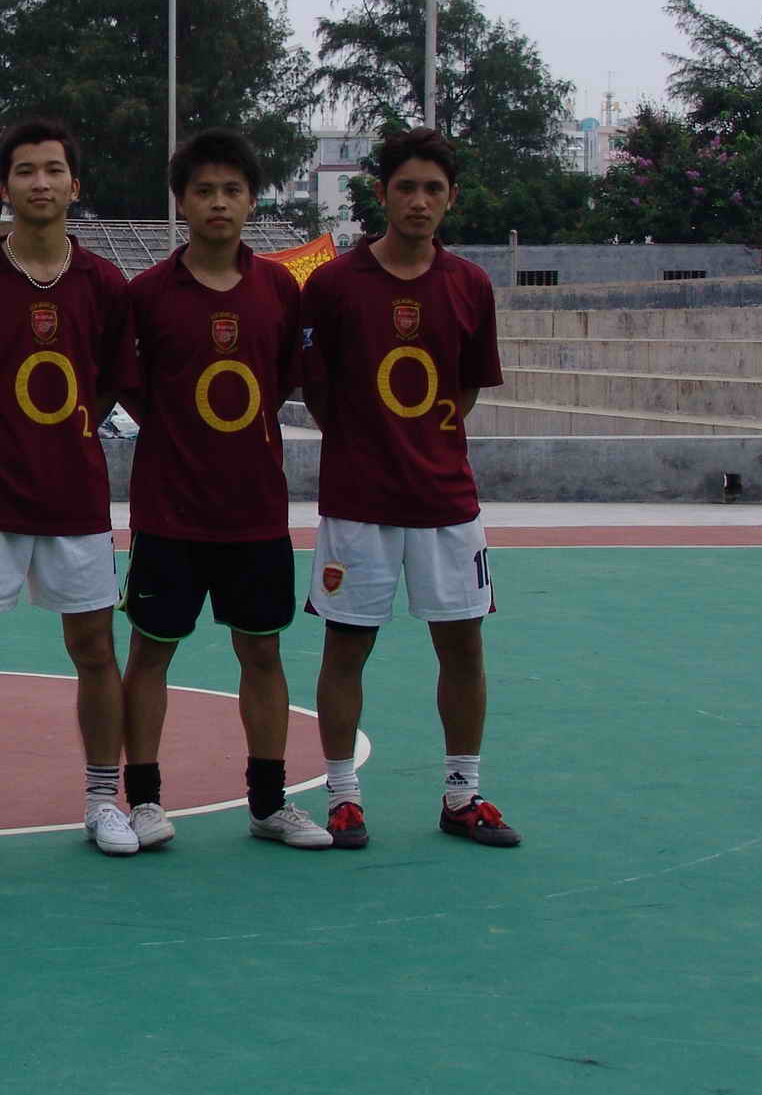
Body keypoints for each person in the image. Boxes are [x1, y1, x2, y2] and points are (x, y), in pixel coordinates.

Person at [0, 119, 140, 859]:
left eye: (53, 170)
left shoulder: (105, 284)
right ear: (4, 187)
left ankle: (104, 801)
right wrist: (1, 445)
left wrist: (59, 441)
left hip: (76, 499)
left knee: (94, 650)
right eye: (25, 171)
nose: (39, 183)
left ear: (75, 185)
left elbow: (109, 384)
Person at [301, 126, 520, 850]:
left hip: (445, 501)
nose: (419, 201)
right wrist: (367, 448)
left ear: (451, 198)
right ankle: (343, 797)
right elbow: (319, 391)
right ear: (382, 194)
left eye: (433, 189)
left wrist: (423, 445)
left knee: (463, 648)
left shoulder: (470, 285)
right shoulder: (333, 285)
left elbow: (466, 389)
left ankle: (462, 794)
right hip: (358, 503)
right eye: (406, 188)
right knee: (345, 648)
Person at [118, 129, 331, 851]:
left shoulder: (279, 290)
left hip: (255, 512)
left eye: (231, 190)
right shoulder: (147, 295)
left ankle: (269, 804)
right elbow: (136, 392)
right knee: (151, 654)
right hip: (169, 511)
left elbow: (286, 380)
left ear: (251, 201)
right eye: (203, 190)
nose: (218, 202)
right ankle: (144, 801)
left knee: (262, 655)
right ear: (181, 201)